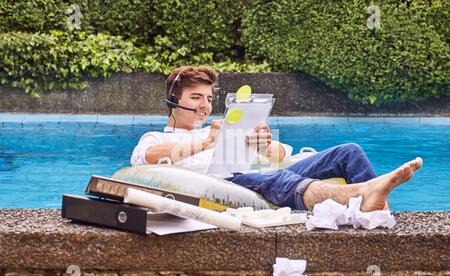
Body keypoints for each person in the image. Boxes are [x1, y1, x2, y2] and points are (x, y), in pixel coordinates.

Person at [131, 66, 423, 211]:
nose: (205, 105)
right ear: (173, 100)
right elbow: (148, 157)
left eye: (208, 98)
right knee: (279, 180)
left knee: (348, 151)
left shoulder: (223, 127)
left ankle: (380, 211)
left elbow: (283, 155)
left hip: (256, 172)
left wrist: (264, 144)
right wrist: (206, 142)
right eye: (195, 97)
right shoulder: (156, 136)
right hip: (228, 182)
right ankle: (362, 197)